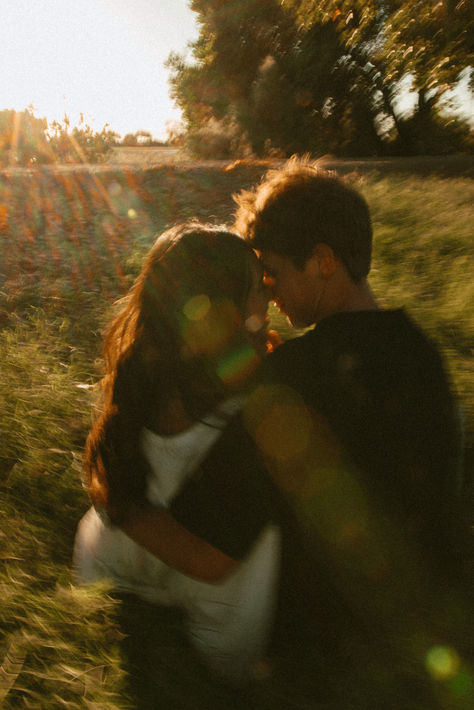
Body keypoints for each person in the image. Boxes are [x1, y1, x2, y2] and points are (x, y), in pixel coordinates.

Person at [167, 158, 469, 704]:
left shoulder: (297, 375)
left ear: (324, 261)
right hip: (438, 644)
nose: (268, 293)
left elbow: (208, 550)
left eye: (273, 274)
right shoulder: (423, 352)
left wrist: (117, 508)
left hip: (328, 668)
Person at [73, 222, 285, 693]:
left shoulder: (139, 370)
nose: (268, 301)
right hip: (214, 617)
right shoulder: (256, 401)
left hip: (117, 571)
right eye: (256, 290)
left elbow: (107, 477)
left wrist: (120, 507)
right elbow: (214, 563)